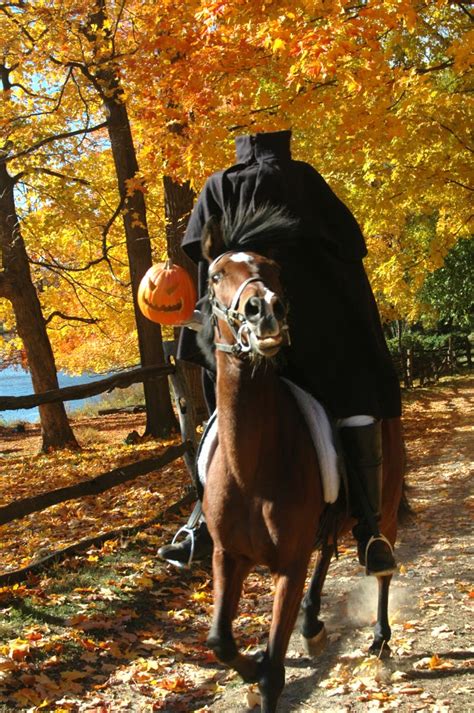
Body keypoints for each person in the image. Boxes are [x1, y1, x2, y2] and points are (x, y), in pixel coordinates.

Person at [158, 129, 401, 576]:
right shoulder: (304, 180)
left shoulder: (218, 186)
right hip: (316, 334)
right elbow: (350, 251)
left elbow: (203, 257)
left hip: (242, 334)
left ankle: (199, 525)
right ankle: (369, 529)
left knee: (221, 417)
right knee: (354, 403)